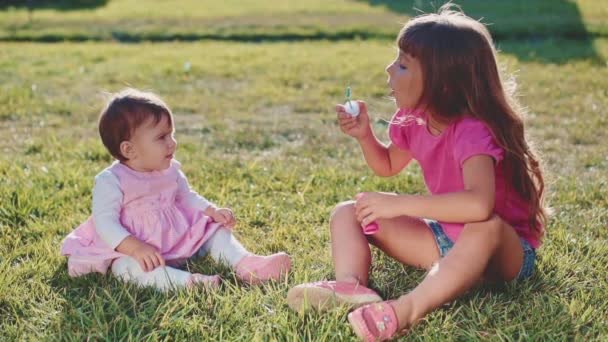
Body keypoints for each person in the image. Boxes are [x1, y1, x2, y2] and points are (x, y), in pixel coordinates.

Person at [287, 6, 548, 341]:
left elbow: (479, 206)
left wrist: (400, 204)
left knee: (487, 227)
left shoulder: (473, 132)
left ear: (442, 83)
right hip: (444, 242)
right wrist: (365, 136)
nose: (389, 69)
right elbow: (387, 165)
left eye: (403, 64)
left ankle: (404, 311)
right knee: (347, 212)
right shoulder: (414, 120)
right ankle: (350, 286)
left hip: (504, 255)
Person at [61, 88, 291, 291]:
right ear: (129, 149)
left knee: (214, 231)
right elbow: (105, 223)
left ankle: (247, 263)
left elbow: (186, 196)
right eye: (162, 137)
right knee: (125, 268)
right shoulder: (111, 181)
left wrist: (211, 211)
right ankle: (187, 283)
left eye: (172, 133)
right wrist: (135, 247)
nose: (172, 143)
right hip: (135, 246)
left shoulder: (169, 169)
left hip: (174, 235)